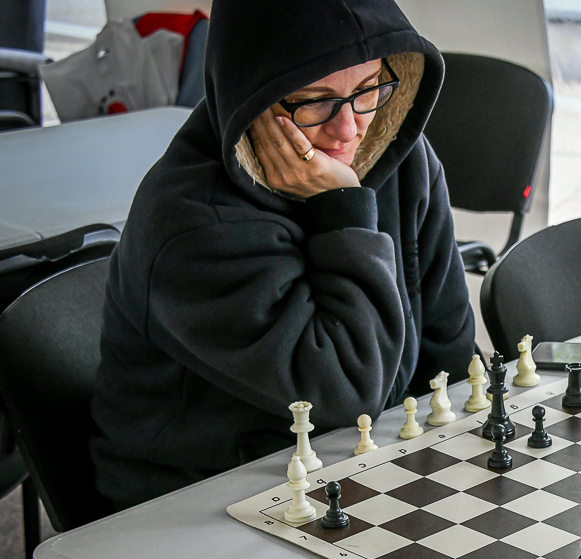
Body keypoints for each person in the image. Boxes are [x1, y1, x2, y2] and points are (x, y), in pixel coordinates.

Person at [90, 0, 475, 509]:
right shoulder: (190, 223)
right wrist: (343, 209)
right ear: (252, 96)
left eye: (368, 90)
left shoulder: (404, 158)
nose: (348, 131)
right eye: (314, 101)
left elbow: (447, 349)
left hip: (343, 464)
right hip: (193, 499)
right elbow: (342, 394)